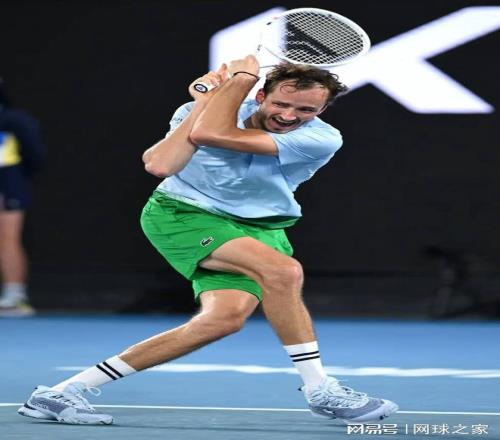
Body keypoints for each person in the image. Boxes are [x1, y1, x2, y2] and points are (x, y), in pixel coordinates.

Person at [18, 55, 398, 425]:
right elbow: (160, 164)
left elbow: (214, 134)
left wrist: (227, 88)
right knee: (284, 272)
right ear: (261, 96)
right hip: (183, 215)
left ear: (322, 111)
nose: (289, 115)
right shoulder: (199, 108)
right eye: (281, 103)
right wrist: (211, 99)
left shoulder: (321, 138)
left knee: (222, 321)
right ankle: (319, 388)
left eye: (305, 109)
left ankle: (62, 391)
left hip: (260, 227)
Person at [0, 80, 44, 317]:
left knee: (7, 237)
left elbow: (34, 155)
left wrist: (13, 180)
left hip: (8, 185)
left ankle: (15, 296)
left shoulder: (13, 120)